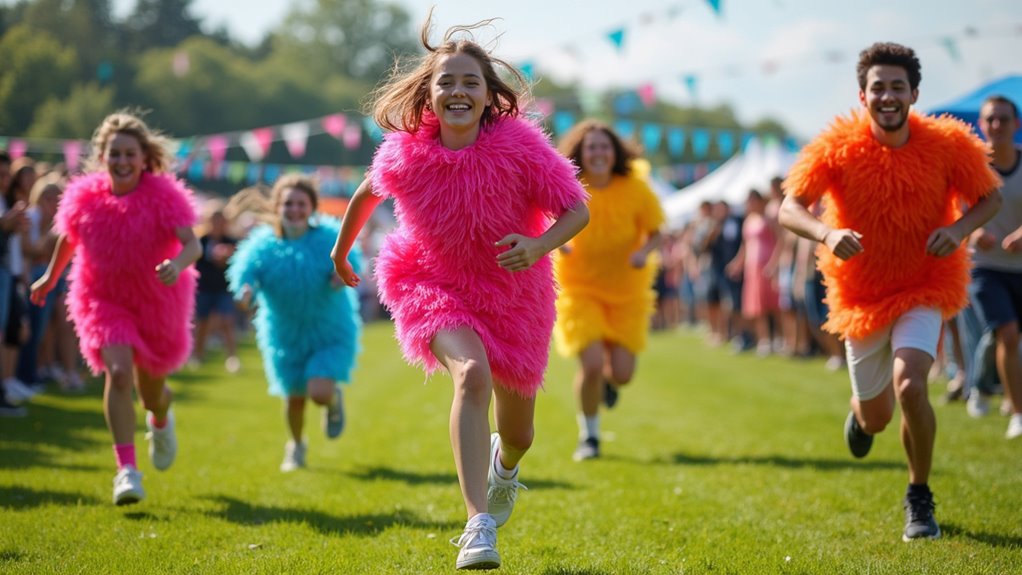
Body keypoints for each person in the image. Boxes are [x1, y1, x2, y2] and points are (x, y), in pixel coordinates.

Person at [330, 13, 589, 570]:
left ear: (487, 95)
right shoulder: (404, 154)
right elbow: (365, 195)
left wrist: (540, 245)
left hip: (517, 294)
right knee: (471, 376)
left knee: (520, 433)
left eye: (470, 82)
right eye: (446, 81)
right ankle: (477, 528)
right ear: (429, 93)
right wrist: (340, 250)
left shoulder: (521, 147)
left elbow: (577, 209)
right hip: (433, 285)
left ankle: (505, 467)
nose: (458, 91)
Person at [779, 42, 1002, 542]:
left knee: (911, 385)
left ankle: (918, 498)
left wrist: (960, 229)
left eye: (897, 86)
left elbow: (990, 197)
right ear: (863, 94)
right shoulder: (836, 147)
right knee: (877, 416)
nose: (887, 95)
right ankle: (861, 420)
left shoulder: (948, 143)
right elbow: (788, 208)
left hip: (925, 284)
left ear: (914, 93)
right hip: (859, 298)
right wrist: (827, 234)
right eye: (878, 87)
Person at [30, 111, 201, 505]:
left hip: (157, 300)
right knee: (119, 374)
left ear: (145, 158)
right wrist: (51, 278)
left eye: (130, 154)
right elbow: (68, 240)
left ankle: (160, 417)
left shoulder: (164, 195)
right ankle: (127, 471)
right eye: (115, 154)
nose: (122, 162)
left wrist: (176, 264)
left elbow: (192, 244)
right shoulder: (83, 197)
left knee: (151, 394)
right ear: (102, 156)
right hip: (101, 298)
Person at [227, 174, 362, 472]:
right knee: (294, 399)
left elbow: (352, 264)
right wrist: (246, 292)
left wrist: (340, 278)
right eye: (288, 203)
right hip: (284, 337)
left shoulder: (329, 237)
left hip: (330, 331)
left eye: (301, 204)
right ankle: (297, 446)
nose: (295, 209)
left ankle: (332, 401)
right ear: (277, 207)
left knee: (319, 392)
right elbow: (243, 278)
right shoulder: (261, 246)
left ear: (312, 207)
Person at [553, 120, 664, 461]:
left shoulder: (635, 188)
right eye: (591, 147)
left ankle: (609, 383)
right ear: (581, 153)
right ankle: (590, 437)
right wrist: (559, 245)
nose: (598, 153)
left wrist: (644, 252)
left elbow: (657, 231)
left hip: (626, 292)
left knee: (622, 373)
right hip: (579, 289)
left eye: (604, 147)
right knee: (589, 364)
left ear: (614, 152)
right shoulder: (568, 186)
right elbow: (544, 220)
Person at [966, 94, 1022, 439]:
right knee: (1008, 333)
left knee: (1004, 338)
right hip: (986, 268)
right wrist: (974, 233)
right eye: (990, 119)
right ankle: (1018, 413)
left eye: (1004, 118)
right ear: (981, 125)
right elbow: (954, 217)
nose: (997, 125)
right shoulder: (971, 168)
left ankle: (981, 385)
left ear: (1016, 125)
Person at [192, 203, 240, 374]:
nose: (217, 222)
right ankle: (198, 355)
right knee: (201, 323)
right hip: (204, 288)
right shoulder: (200, 240)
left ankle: (232, 357)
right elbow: (195, 263)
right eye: (214, 219)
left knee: (227, 321)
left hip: (224, 288)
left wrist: (227, 257)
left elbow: (238, 264)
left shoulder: (232, 241)